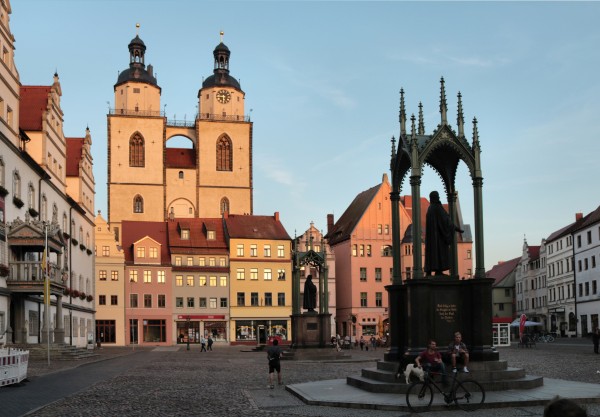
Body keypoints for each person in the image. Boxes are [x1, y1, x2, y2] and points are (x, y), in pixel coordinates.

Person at [424, 191, 464, 276]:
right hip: (438, 239)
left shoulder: (429, 209)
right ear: (436, 198)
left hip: (432, 240)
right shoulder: (437, 207)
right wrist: (456, 228)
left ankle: (429, 271)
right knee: (439, 252)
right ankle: (438, 271)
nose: (439, 198)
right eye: (437, 196)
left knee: (432, 253)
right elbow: (446, 221)